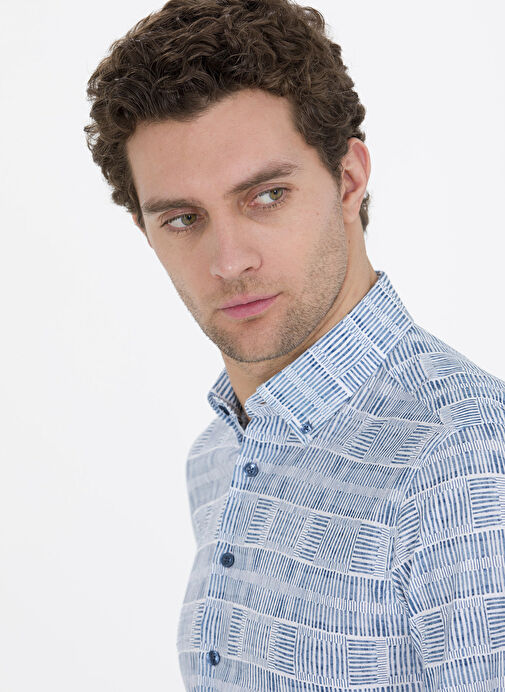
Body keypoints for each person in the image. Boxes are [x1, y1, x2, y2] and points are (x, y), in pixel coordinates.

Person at [84, 0, 505, 689]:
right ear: (145, 231)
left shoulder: (467, 461)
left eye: (266, 196)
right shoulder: (217, 457)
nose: (229, 261)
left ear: (348, 180)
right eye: (183, 218)